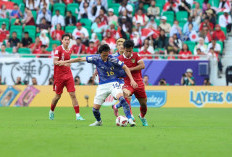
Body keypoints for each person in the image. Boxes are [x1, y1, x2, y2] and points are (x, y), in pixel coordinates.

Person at [57, 44, 137, 127]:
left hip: (113, 82)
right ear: (100, 53)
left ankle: (130, 119)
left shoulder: (113, 59)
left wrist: (132, 80)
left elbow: (125, 67)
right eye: (104, 55)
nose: (105, 57)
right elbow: (80, 59)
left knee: (122, 98)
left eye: (107, 55)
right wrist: (65, 62)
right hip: (102, 85)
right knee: (95, 109)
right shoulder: (96, 58)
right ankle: (99, 122)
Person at [49, 34, 84, 121]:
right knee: (58, 96)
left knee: (73, 94)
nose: (67, 41)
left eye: (68, 40)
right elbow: (55, 62)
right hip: (59, 76)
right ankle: (51, 111)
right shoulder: (58, 49)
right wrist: (65, 63)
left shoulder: (70, 50)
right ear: (62, 41)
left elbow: (68, 62)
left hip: (68, 75)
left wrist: (68, 64)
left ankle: (78, 115)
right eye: (65, 39)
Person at [115, 40, 148, 126]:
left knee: (144, 105)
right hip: (127, 82)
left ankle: (142, 116)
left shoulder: (136, 55)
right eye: (127, 51)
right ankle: (130, 117)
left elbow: (142, 66)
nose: (129, 53)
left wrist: (129, 69)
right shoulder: (119, 59)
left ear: (132, 49)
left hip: (138, 82)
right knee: (125, 94)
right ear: (124, 49)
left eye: (130, 51)